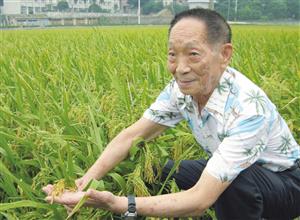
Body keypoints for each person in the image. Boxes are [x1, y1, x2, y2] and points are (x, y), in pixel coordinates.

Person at [43, 8, 300, 219]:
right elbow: (132, 135)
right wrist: (84, 181)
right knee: (158, 170)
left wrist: (120, 204)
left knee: (232, 183)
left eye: (193, 54)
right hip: (234, 167)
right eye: (172, 55)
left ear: (224, 54)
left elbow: (200, 200)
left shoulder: (248, 110)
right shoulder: (182, 89)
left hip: (286, 185)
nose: (181, 68)